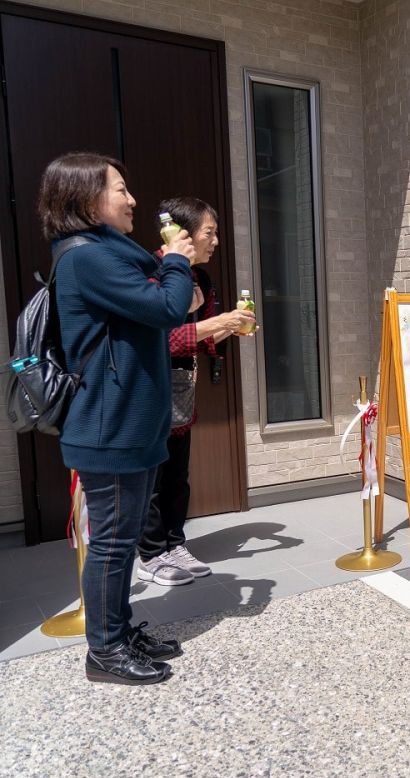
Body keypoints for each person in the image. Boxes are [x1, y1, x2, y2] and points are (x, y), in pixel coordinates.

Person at [42, 153, 196, 684]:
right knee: (111, 542)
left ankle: (120, 628)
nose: (133, 200)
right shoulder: (86, 258)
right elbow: (168, 309)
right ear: (88, 200)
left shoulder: (113, 254)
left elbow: (175, 300)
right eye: (121, 190)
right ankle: (104, 651)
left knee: (123, 540)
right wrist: (177, 259)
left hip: (129, 419)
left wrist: (172, 274)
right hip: (110, 425)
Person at [136, 198, 253, 586]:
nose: (215, 241)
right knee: (151, 480)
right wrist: (216, 322)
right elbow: (158, 340)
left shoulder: (200, 279)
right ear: (182, 235)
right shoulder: (150, 272)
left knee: (176, 476)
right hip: (148, 389)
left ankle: (173, 543)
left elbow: (198, 342)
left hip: (182, 390)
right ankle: (149, 554)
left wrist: (229, 328)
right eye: (209, 232)